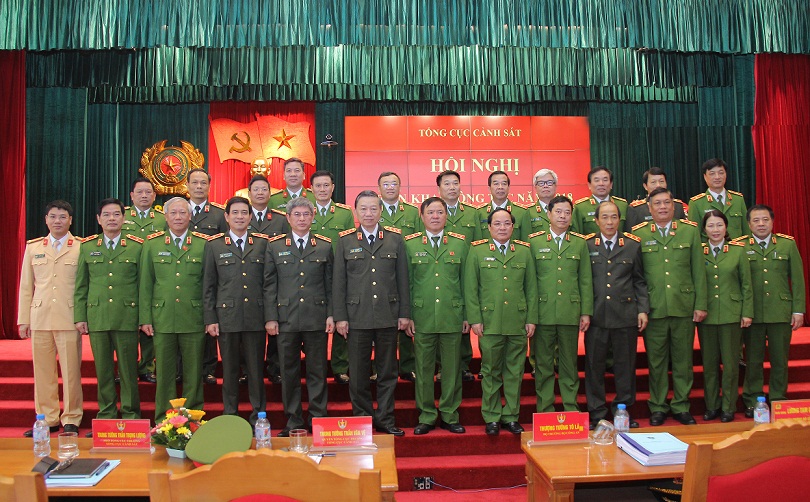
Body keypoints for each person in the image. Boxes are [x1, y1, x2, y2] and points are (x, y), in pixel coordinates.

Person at [333, 190, 410, 436]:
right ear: (356, 212)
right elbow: (339, 283)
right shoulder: (345, 241)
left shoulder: (395, 239)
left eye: (373, 208)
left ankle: (386, 419)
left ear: (381, 211)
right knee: (358, 375)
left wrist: (404, 313)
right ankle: (362, 421)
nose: (368, 213)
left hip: (388, 314)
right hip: (357, 317)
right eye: (363, 209)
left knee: (388, 372)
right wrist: (340, 317)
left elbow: (403, 279)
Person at [632, 188, 707, 426]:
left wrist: (700, 304)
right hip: (654, 308)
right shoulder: (639, 234)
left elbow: (698, 270)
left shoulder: (689, 231)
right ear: (649, 208)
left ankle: (681, 405)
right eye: (657, 203)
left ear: (674, 206)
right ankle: (658, 406)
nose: (663, 207)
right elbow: (637, 276)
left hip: (683, 306)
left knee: (683, 360)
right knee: (656, 362)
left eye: (667, 202)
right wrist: (641, 307)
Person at [264, 197, 333, 436]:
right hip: (286, 319)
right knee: (289, 372)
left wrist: (331, 314)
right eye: (297, 215)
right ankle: (293, 420)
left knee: (317, 372)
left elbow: (331, 284)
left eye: (306, 214)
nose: (302, 219)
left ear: (313, 217)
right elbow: (269, 285)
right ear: (288, 217)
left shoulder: (324, 246)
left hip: (316, 317)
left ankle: (318, 418)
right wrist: (270, 317)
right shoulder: (275, 246)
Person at [465, 209, 537, 436]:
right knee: (490, 371)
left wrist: (531, 319)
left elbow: (531, 288)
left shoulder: (524, 251)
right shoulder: (477, 251)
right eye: (497, 223)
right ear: (489, 227)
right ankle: (492, 416)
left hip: (517, 321)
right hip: (490, 322)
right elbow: (471, 288)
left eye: (507, 223)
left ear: (513, 227)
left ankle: (511, 416)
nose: (502, 227)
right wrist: (475, 318)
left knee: (515, 372)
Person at [75, 198, 144, 435]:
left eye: (116, 214)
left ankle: (131, 415)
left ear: (124, 218)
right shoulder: (87, 247)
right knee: (103, 371)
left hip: (127, 317)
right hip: (98, 317)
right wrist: (80, 316)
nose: (112, 219)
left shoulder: (136, 247)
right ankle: (106, 415)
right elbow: (81, 285)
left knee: (128, 371)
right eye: (106, 214)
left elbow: (143, 285)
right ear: (98, 219)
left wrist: (143, 317)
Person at [203, 196, 270, 426]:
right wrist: (210, 318)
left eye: (244, 213)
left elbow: (269, 283)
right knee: (230, 371)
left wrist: (269, 316)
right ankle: (230, 417)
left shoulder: (262, 243)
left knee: (255, 370)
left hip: (255, 316)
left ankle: (258, 417)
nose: (240, 217)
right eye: (235, 213)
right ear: (226, 217)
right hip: (227, 318)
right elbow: (209, 285)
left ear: (251, 217)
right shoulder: (214, 245)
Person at [18, 200, 83, 436]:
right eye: (53, 216)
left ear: (70, 220)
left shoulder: (80, 247)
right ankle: (47, 418)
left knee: (71, 371)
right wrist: (23, 319)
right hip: (40, 317)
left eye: (63, 217)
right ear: (46, 220)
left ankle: (72, 417)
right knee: (43, 371)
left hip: (68, 317)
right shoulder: (33, 248)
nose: (58, 221)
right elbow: (26, 286)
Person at [139, 197, 208, 419]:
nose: (178, 217)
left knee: (193, 372)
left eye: (182, 213)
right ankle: (164, 418)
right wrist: (145, 318)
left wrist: (209, 318)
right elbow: (146, 284)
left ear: (190, 216)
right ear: (166, 217)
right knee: (164, 372)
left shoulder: (203, 244)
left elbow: (208, 285)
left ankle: (193, 417)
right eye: (173, 213)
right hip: (163, 317)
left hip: (194, 316)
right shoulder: (152, 244)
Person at [733, 205, 805, 418]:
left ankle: (778, 399)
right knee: (753, 360)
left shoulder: (787, 244)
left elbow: (798, 280)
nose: (761, 224)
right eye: (756, 220)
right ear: (749, 224)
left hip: (779, 311)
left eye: (765, 220)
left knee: (779, 359)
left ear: (772, 222)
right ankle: (752, 400)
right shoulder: (740, 246)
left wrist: (798, 310)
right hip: (752, 313)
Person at [405, 197, 469, 435]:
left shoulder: (460, 243)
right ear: (422, 216)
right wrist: (408, 315)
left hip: (452, 314)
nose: (435, 216)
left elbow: (466, 282)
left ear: (446, 216)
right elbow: (407, 283)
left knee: (452, 369)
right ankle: (427, 415)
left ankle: (450, 414)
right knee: (423, 370)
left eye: (440, 212)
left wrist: (467, 315)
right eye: (430, 212)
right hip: (422, 316)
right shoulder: (410, 244)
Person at [584, 201, 649, 429]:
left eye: (613, 217)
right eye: (604, 217)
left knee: (625, 366)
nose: (609, 222)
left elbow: (639, 280)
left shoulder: (632, 245)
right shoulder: (587, 245)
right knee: (594, 366)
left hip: (625, 315)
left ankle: (623, 411)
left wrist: (642, 309)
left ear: (619, 220)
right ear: (596, 221)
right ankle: (597, 413)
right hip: (596, 316)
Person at [529, 195, 593, 412]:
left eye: (567, 212)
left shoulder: (579, 243)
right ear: (548, 214)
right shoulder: (535, 242)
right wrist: (531, 315)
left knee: (569, 364)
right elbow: (530, 282)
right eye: (558, 212)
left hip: (569, 311)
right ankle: (545, 408)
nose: (563, 216)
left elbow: (585, 279)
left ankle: (570, 407)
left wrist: (585, 312)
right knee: (543, 365)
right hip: (543, 312)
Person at [697, 210, 753, 423]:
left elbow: (746, 284)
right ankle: (712, 405)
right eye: (710, 225)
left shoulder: (738, 251)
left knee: (730, 365)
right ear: (704, 229)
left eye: (719, 225)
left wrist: (747, 312)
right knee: (709, 364)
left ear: (726, 227)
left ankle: (729, 407)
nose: (715, 230)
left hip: (731, 314)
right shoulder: (698, 251)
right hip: (707, 315)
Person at [309, 170, 355, 385]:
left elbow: (350, 242)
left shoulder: (344, 213)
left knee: (340, 319)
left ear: (333, 188)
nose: (322, 189)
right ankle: (314, 366)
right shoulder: (305, 211)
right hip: (311, 274)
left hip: (338, 274)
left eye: (326, 185)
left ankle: (340, 366)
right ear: (311, 189)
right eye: (318, 186)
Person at [378, 171, 422, 382]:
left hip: (406, 270)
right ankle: (380, 366)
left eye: (394, 183)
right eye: (386, 184)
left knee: (406, 316)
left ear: (400, 186)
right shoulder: (373, 209)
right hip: (382, 271)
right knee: (381, 320)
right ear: (379, 188)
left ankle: (407, 365)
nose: (390, 187)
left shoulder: (412, 212)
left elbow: (420, 238)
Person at [122, 177, 166, 384]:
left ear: (154, 196)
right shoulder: (121, 216)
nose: (144, 196)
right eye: (139, 192)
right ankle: (127, 368)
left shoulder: (162, 219)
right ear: (132, 195)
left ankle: (148, 367)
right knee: (128, 327)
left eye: (148, 192)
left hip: (153, 276)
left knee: (149, 324)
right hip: (126, 277)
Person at [185, 168, 227, 385]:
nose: (199, 187)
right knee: (185, 324)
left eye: (203, 183)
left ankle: (208, 368)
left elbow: (225, 244)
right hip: (184, 277)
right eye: (195, 183)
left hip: (211, 276)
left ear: (209, 186)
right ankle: (182, 368)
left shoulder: (219, 214)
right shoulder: (177, 210)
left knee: (209, 320)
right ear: (187, 185)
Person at [245, 174, 288, 385]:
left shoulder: (280, 219)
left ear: (270, 193)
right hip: (249, 278)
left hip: (276, 278)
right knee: (249, 328)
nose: (260, 193)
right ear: (249, 193)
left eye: (264, 189)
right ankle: (247, 370)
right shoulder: (241, 215)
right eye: (256, 189)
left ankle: (274, 368)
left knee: (275, 327)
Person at [436, 170, 478, 382]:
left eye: (455, 183)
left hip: (466, 273)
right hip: (440, 272)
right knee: (439, 322)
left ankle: (463, 365)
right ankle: (441, 366)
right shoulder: (431, 211)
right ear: (439, 188)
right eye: (447, 184)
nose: (452, 187)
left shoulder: (472, 213)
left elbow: (479, 244)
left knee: (464, 320)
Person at [688, 158, 749, 240]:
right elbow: (694, 236)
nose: (717, 177)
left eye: (721, 173)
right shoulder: (696, 203)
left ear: (726, 175)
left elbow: (746, 232)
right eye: (712, 173)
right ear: (705, 177)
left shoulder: (738, 199)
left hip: (736, 247)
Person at [475, 171, 531, 242]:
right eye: (496, 184)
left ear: (508, 188)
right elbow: (477, 242)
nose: (500, 187)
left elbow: (526, 242)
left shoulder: (522, 212)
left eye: (504, 184)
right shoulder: (479, 212)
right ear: (489, 188)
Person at [572, 166, 628, 235]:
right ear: (589, 185)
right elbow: (576, 236)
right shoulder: (580, 207)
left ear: (611, 184)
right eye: (597, 180)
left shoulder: (622, 205)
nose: (601, 184)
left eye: (605, 180)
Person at [528, 168, 558, 234]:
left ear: (555, 185)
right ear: (535, 187)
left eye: (549, 182)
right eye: (541, 183)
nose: (545, 186)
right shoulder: (528, 211)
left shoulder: (566, 210)